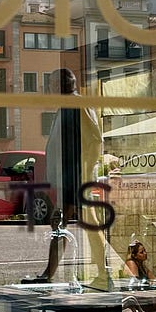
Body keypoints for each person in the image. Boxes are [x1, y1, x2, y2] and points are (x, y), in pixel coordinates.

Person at [44, 68, 107, 288]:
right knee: (63, 224)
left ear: (61, 84)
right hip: (70, 177)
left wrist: (86, 173)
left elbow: (95, 139)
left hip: (77, 177)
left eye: (51, 83)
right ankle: (50, 272)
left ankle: (103, 271)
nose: (49, 88)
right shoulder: (66, 106)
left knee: (85, 225)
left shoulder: (77, 105)